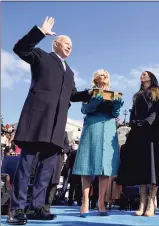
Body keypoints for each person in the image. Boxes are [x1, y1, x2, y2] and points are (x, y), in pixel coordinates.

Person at [7, 17, 92, 225]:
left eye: (72, 45)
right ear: (55, 43)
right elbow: (20, 48)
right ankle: (16, 209)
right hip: (36, 121)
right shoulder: (41, 56)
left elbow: (72, 95)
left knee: (46, 170)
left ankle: (37, 207)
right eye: (66, 43)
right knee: (26, 166)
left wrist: (89, 93)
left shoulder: (70, 72)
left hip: (56, 128)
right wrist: (40, 32)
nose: (70, 46)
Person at [116, 71, 159, 217]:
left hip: (151, 130)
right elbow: (133, 111)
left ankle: (151, 201)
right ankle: (142, 201)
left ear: (151, 77)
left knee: (152, 166)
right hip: (138, 132)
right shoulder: (137, 95)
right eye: (141, 74)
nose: (142, 75)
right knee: (140, 166)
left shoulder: (158, 91)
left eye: (145, 74)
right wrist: (134, 123)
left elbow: (157, 108)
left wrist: (147, 122)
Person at [72, 69, 124, 217]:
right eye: (102, 74)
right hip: (92, 127)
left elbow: (115, 114)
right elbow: (84, 109)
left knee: (105, 167)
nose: (105, 76)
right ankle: (85, 201)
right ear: (95, 78)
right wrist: (93, 104)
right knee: (87, 164)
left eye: (107, 74)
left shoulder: (113, 94)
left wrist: (117, 107)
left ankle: (101, 202)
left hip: (108, 129)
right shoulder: (89, 93)